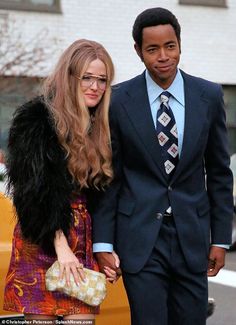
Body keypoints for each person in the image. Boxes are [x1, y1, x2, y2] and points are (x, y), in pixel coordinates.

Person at [92, 7, 233, 325]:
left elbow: (220, 172)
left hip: (191, 237)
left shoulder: (208, 96)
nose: (163, 56)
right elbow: (110, 178)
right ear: (138, 51)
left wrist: (220, 239)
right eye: (152, 49)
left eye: (170, 46)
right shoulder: (118, 100)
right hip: (139, 239)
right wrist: (102, 242)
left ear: (180, 45)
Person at [3, 39, 119, 323]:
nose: (95, 86)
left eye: (102, 80)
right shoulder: (38, 120)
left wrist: (108, 246)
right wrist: (60, 245)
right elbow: (32, 191)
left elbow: (107, 195)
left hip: (82, 239)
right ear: (70, 78)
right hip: (43, 234)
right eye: (87, 78)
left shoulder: (102, 127)